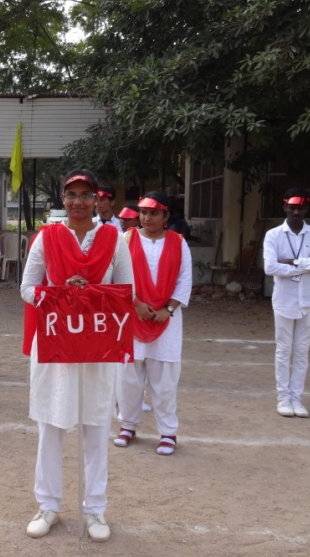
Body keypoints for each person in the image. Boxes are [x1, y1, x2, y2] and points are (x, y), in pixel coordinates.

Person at [20, 169, 133, 543]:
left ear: (97, 198)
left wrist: (91, 293)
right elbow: (27, 287)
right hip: (55, 341)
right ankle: (48, 504)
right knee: (51, 425)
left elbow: (125, 291)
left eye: (86, 194)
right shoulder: (47, 236)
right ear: (63, 199)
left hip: (99, 342)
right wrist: (59, 295)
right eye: (72, 194)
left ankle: (95, 509)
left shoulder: (114, 239)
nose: (79, 201)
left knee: (96, 425)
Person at [113, 192, 193, 455]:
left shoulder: (179, 243)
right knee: (128, 377)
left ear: (166, 216)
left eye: (154, 213)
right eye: (144, 213)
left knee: (165, 379)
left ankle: (168, 432)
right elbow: (119, 275)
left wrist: (168, 309)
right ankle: (128, 425)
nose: (147, 218)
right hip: (132, 314)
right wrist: (136, 303)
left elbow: (184, 280)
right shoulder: (127, 238)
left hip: (166, 318)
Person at [262, 187, 310, 418]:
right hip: (284, 300)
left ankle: (296, 398)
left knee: (301, 352)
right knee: (284, 350)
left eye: (300, 207)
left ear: (306, 209)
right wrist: (308, 263)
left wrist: (293, 262)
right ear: (285, 207)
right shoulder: (273, 235)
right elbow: (270, 267)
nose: (296, 211)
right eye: (292, 207)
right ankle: (283, 397)